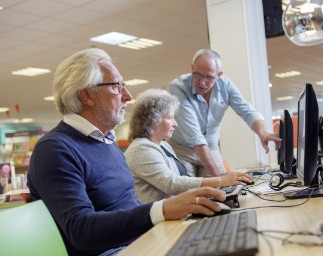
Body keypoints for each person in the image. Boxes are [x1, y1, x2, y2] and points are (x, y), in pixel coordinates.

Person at [26, 48, 227, 256]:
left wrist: (174, 214)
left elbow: (127, 206)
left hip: (140, 242)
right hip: (113, 251)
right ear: (86, 95)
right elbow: (81, 230)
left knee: (221, 242)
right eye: (116, 86)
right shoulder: (54, 149)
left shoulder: (106, 141)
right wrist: (163, 209)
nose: (128, 96)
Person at [124, 89, 253, 203]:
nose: (175, 124)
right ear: (152, 119)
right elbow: (171, 184)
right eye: (170, 118)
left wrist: (222, 178)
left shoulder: (163, 145)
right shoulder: (141, 149)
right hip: (156, 222)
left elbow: (182, 181)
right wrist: (219, 181)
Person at [168, 49, 282, 178]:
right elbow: (195, 137)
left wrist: (263, 133)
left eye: (209, 77)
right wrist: (220, 178)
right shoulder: (177, 88)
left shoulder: (226, 85)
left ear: (218, 75)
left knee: (222, 192)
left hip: (210, 148)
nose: (201, 82)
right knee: (189, 191)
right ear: (192, 68)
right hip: (182, 149)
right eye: (197, 74)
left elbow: (247, 111)